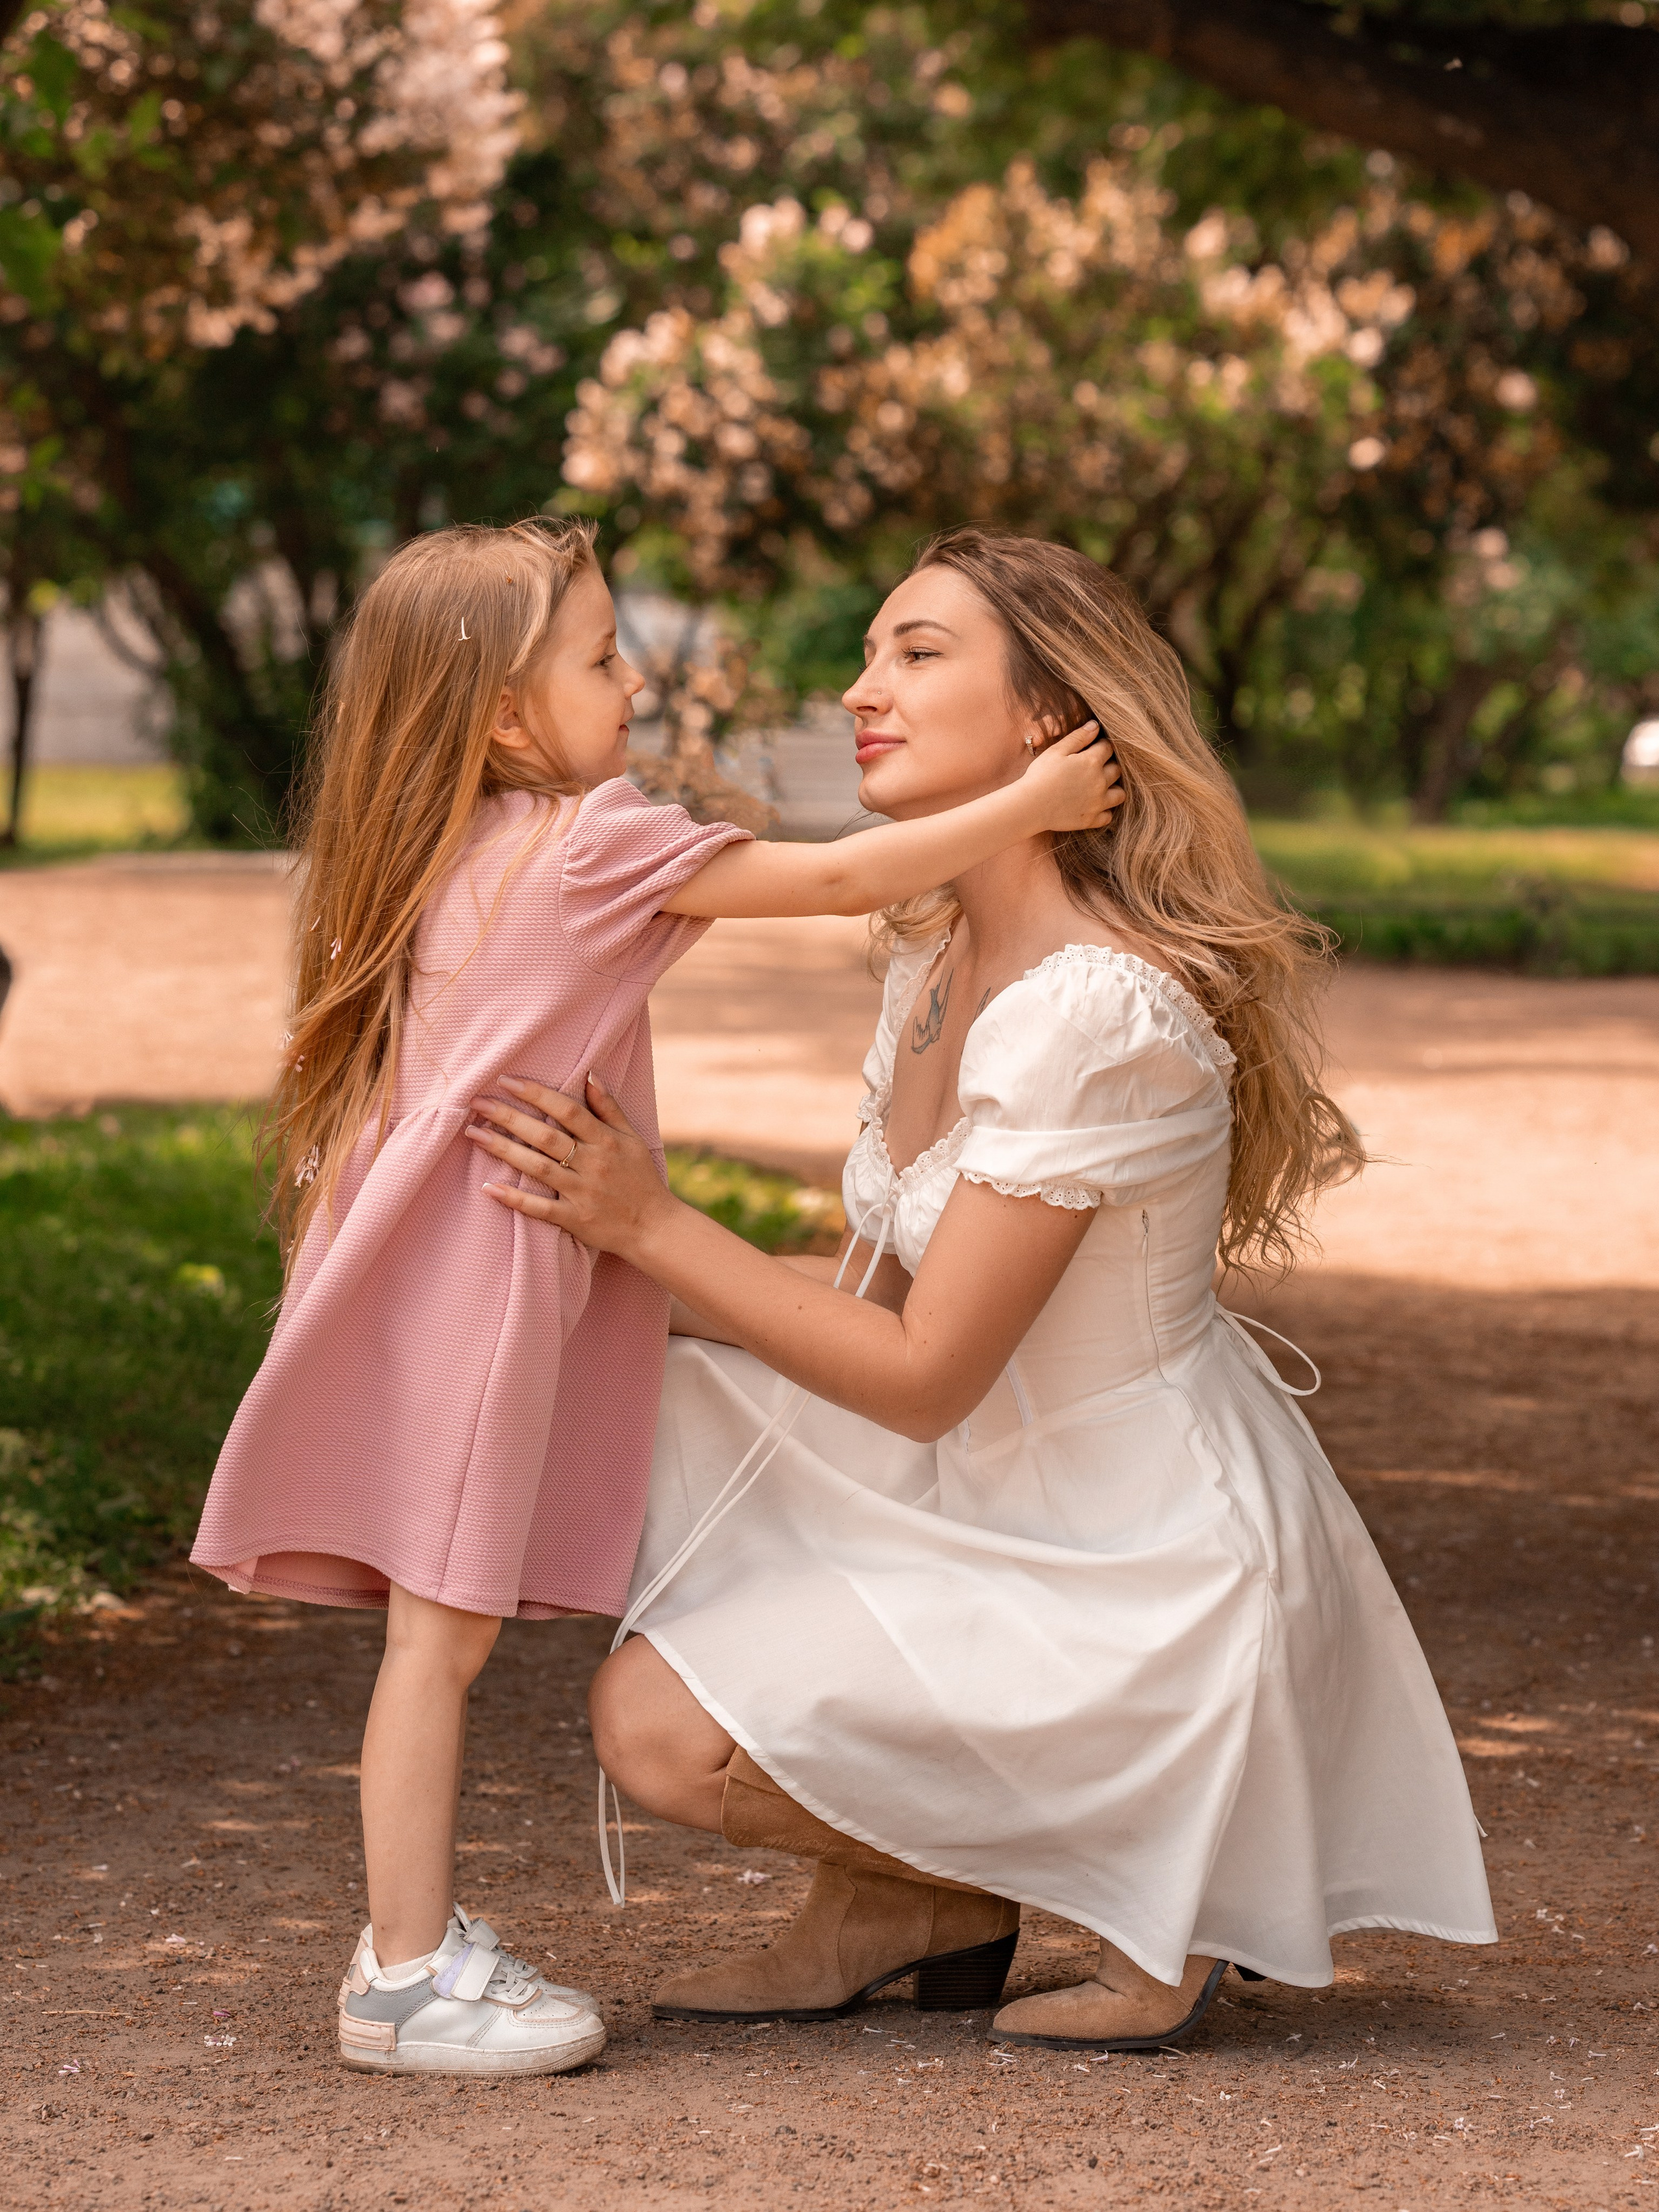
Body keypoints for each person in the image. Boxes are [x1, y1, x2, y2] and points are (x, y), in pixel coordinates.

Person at [466, 526, 1498, 2055]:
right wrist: (551, 1269)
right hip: (976, 1488)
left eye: (916, 652)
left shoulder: (1096, 1008)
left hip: (1133, 1556)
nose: (858, 687)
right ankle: (919, 1905)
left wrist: (649, 1222)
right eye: (870, 650)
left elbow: (924, 1368)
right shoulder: (937, 947)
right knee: (637, 1450)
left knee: (658, 1723)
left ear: (1044, 723)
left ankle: (1168, 1879)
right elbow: (861, 1293)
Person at [189, 517, 1118, 2078]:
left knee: (430, 1646)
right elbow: (836, 878)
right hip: (488, 1289)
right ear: (500, 717)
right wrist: (1031, 799)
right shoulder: (585, 841)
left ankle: (406, 1954)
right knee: (440, 1647)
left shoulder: (445, 847)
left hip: (423, 1270)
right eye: (601, 660)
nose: (633, 684)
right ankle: (403, 1971)